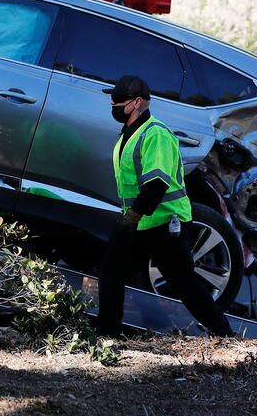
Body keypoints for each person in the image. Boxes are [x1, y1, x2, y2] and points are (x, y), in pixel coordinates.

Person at [96, 75, 233, 338]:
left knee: (183, 281)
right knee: (112, 270)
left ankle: (223, 334)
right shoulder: (129, 134)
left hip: (165, 223)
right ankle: (107, 336)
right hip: (143, 221)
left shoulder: (155, 134)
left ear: (137, 103)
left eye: (118, 101)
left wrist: (130, 219)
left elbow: (155, 185)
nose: (112, 104)